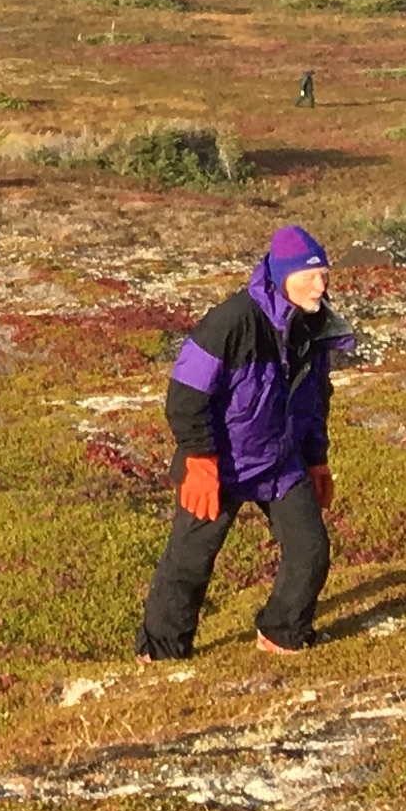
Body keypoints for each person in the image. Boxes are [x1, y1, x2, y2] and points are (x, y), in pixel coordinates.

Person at [137, 226, 348, 660]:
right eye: (310, 276)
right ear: (281, 276)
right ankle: (161, 651)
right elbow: (185, 396)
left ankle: (283, 632)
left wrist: (315, 458)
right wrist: (199, 459)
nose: (321, 285)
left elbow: (314, 398)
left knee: (311, 550)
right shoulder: (230, 322)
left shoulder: (315, 326)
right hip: (221, 464)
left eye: (325, 274)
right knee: (189, 561)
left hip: (281, 462)